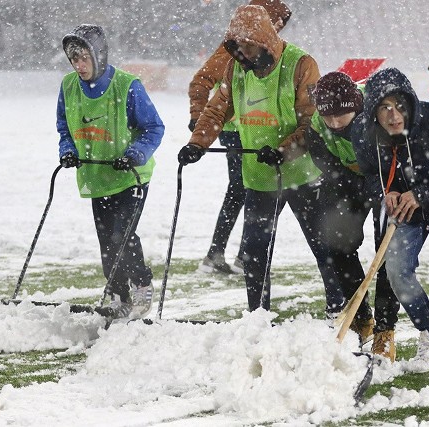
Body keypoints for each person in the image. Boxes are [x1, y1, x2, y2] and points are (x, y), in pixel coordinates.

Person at [177, 5, 335, 314]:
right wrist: (197, 143)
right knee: (254, 250)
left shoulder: (301, 65)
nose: (244, 54)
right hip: (260, 177)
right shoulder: (236, 69)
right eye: (238, 47)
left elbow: (313, 123)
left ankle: (337, 305)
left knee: (323, 246)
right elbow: (218, 109)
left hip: (303, 174)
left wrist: (283, 150)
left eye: (249, 45)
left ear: (266, 38)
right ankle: (257, 314)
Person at [351, 68, 429, 379]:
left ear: (410, 104)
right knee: (396, 271)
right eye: (384, 108)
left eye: (399, 106)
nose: (393, 115)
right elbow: (370, 174)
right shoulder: (367, 135)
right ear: (373, 112)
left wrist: (422, 194)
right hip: (410, 209)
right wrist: (386, 192)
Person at [56, 24, 165, 320]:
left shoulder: (127, 86)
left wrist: (135, 153)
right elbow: (65, 128)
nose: (79, 66)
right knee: (107, 241)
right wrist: (67, 150)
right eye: (73, 60)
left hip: (131, 176)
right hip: (97, 176)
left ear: (99, 55)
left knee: (121, 235)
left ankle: (141, 284)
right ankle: (117, 292)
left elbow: (154, 127)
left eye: (84, 58)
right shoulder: (68, 87)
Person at [188, 0, 292, 275]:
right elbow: (200, 81)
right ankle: (238, 254)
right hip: (237, 130)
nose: (279, 29)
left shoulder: (271, 52)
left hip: (257, 129)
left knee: (246, 190)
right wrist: (198, 117)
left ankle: (229, 253)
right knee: (249, 188)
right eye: (277, 22)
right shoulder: (237, 50)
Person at [306, 71, 400, 361]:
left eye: (341, 116)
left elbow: (396, 155)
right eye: (328, 117)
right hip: (348, 179)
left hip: (387, 181)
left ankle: (385, 331)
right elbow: (323, 161)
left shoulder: (377, 117)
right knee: (337, 243)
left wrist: (382, 190)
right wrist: (349, 186)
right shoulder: (317, 124)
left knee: (387, 255)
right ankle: (362, 319)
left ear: (356, 107)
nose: (334, 123)